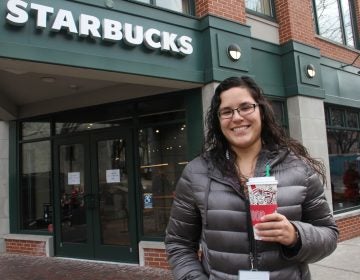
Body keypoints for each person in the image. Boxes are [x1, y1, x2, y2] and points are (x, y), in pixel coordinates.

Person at [165, 76, 338, 280]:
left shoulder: (298, 168)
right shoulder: (197, 172)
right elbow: (178, 243)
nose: (237, 118)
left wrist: (295, 235)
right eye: (227, 112)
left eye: (246, 107)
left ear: (261, 111)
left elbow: (329, 235)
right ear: (218, 120)